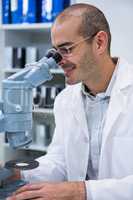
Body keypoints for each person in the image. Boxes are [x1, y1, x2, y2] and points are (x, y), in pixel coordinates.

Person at [7, 3, 133, 200]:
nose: (58, 61)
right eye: (54, 52)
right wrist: (18, 174)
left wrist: (82, 191)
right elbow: (60, 161)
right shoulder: (65, 100)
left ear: (99, 42)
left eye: (66, 49)